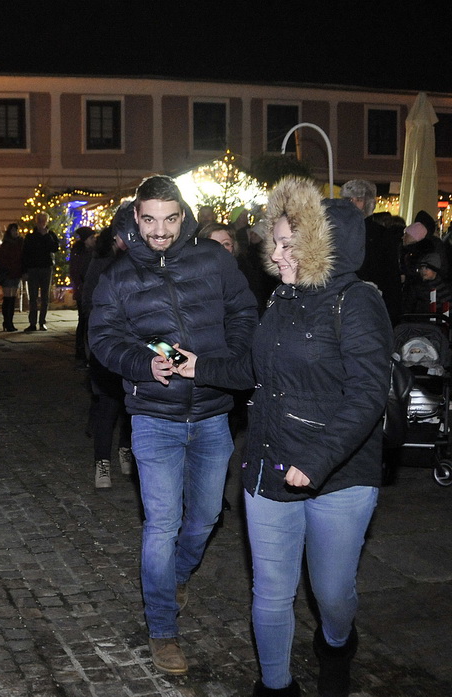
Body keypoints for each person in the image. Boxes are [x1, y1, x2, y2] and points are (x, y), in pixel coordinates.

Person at [174, 177, 392, 697]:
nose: (277, 254)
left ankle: (337, 643)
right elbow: (254, 365)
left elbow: (367, 396)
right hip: (269, 466)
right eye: (275, 243)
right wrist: (197, 366)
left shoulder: (358, 302)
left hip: (339, 476)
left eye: (289, 244)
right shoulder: (281, 298)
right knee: (270, 593)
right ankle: (275, 687)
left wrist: (319, 459)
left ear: (323, 246)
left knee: (331, 593)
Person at [88, 174, 257, 674]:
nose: (160, 230)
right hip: (154, 419)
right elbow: (103, 338)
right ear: (135, 219)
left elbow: (244, 310)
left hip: (211, 413)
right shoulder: (117, 276)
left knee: (204, 517)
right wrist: (145, 365)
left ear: (182, 215)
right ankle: (163, 628)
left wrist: (225, 359)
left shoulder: (214, 260)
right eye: (149, 219)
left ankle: (178, 575)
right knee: (161, 524)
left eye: (170, 218)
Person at [82, 224, 132, 488]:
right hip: (106, 347)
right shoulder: (101, 265)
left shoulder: (138, 262)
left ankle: (125, 449)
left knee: (130, 407)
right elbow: (89, 306)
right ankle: (102, 462)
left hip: (131, 347)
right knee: (107, 407)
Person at [341, 179, 402, 326]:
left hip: (372, 303)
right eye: (349, 199)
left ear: (367, 203)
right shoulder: (337, 232)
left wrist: (391, 314)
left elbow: (391, 277)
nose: (353, 204)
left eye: (359, 200)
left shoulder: (382, 235)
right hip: (342, 302)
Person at [21, 212, 59, 331]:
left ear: (47, 222)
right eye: (40, 220)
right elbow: (25, 254)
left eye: (44, 221)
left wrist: (47, 236)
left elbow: (55, 248)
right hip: (33, 269)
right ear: (37, 221)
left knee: (45, 296)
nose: (42, 223)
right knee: (32, 297)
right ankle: (32, 323)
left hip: (46, 268)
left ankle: (42, 322)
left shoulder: (51, 234)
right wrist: (25, 270)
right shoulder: (30, 236)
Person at [70, 226, 96, 364]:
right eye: (92, 238)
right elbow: (76, 272)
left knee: (86, 321)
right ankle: (81, 350)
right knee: (83, 321)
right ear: (85, 240)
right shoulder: (80, 253)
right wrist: (81, 286)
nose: (94, 240)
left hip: (89, 291)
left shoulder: (93, 252)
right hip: (83, 292)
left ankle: (85, 351)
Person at [0, 222, 24, 331]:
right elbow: (2, 259)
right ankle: (7, 321)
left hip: (16, 272)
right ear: (9, 232)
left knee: (13, 298)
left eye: (16, 230)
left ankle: (9, 321)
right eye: (13, 230)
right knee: (7, 298)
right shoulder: (6, 244)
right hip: (7, 273)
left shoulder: (21, 242)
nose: (15, 232)